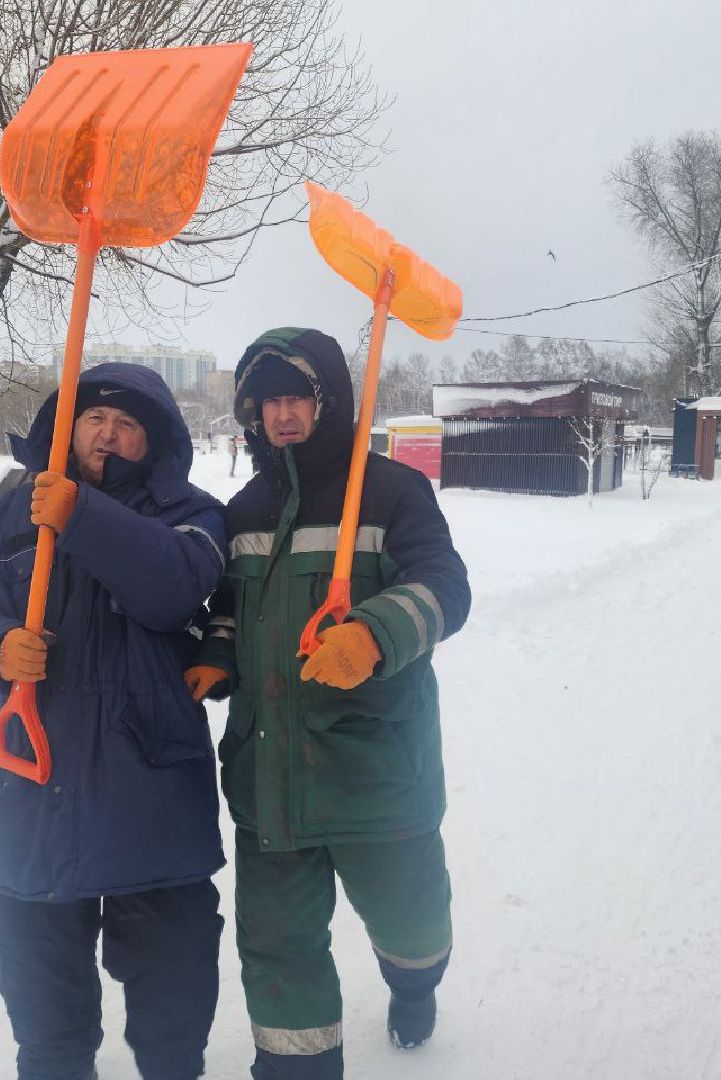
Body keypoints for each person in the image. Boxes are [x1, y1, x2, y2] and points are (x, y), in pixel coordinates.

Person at [0, 362, 228, 1080]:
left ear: (153, 445)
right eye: (94, 419)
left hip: (149, 792)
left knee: (172, 996)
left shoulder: (191, 513)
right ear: (65, 428)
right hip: (34, 786)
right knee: (45, 1009)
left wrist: (81, 516)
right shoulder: (7, 512)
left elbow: (171, 589)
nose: (109, 434)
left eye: (128, 425)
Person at [184, 328, 471, 1080]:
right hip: (269, 774)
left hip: (374, 771)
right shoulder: (244, 510)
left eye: (296, 397)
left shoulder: (390, 492)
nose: (281, 414)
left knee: (412, 923)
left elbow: (445, 585)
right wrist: (216, 654)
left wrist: (375, 635)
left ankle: (414, 985)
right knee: (277, 949)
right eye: (267, 401)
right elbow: (226, 609)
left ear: (330, 402)